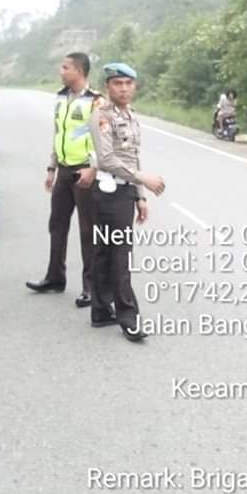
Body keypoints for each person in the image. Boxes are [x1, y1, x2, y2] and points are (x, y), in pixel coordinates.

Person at [88, 62, 166, 342]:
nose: (123, 88)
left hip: (124, 193)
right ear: (108, 86)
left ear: (134, 86)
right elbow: (107, 159)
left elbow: (132, 156)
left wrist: (140, 196)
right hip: (108, 194)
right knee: (118, 255)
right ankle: (128, 317)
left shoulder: (131, 116)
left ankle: (100, 310)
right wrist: (144, 180)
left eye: (128, 83)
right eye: (117, 83)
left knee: (108, 252)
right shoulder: (101, 116)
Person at [25, 52, 101, 308]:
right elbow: (59, 134)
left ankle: (90, 287)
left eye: (65, 67)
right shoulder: (60, 98)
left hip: (85, 172)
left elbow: (101, 142)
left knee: (88, 231)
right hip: (64, 171)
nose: (61, 71)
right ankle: (55, 277)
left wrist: (93, 168)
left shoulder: (95, 102)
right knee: (56, 225)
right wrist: (51, 168)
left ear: (79, 71)